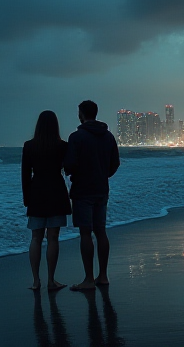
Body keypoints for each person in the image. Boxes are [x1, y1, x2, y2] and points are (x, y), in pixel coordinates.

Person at [63, 100, 120, 291]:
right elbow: (115, 163)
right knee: (101, 231)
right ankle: (103, 276)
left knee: (85, 233)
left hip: (82, 190)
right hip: (101, 188)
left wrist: (74, 172)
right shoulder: (109, 136)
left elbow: (69, 164)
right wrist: (103, 174)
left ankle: (88, 279)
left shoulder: (77, 137)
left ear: (81, 114)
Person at [22, 110, 71, 291]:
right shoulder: (62, 146)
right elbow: (69, 169)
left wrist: (27, 198)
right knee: (53, 238)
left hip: (36, 192)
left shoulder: (29, 146)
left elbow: (25, 175)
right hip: (56, 192)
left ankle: (36, 281)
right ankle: (51, 280)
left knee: (35, 238)